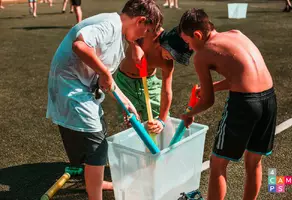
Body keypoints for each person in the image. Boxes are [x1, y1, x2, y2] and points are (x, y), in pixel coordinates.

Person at [46, 0, 162, 199]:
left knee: (95, 137)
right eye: (146, 30)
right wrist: (103, 72)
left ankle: (94, 182)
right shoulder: (111, 25)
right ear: (141, 20)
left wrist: (127, 103)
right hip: (71, 89)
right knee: (97, 146)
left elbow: (106, 80)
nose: (143, 36)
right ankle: (95, 194)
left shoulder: (116, 33)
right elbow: (80, 45)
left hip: (79, 90)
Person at [179, 9, 277, 200]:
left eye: (188, 42)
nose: (189, 48)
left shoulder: (202, 55)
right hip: (269, 98)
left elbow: (207, 101)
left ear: (197, 35)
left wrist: (189, 113)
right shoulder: (236, 34)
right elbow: (242, 75)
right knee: (254, 161)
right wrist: (214, 86)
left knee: (217, 164)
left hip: (245, 104)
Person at [116, 26, 193, 134]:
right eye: (174, 54)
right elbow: (127, 28)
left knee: (163, 120)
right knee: (131, 120)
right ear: (167, 44)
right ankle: (138, 148)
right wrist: (134, 46)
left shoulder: (168, 63)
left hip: (149, 83)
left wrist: (161, 120)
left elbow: (167, 91)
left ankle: (169, 148)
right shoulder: (150, 31)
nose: (173, 59)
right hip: (125, 82)